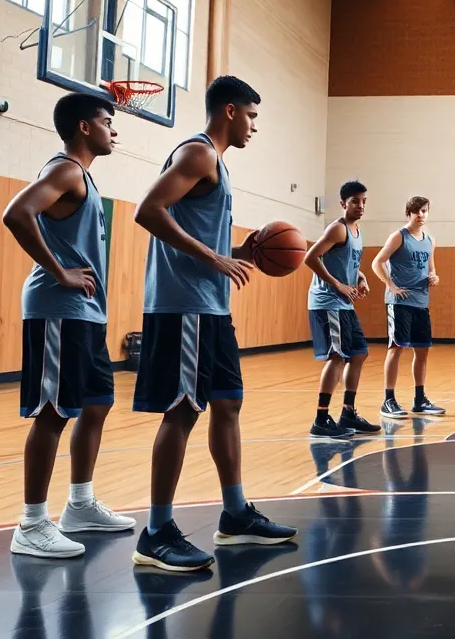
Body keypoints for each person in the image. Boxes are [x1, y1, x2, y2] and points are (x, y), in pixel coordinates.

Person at [132, 75, 297, 572]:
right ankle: (157, 531)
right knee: (182, 411)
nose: (253, 127)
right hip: (186, 307)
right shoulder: (199, 154)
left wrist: (235, 253)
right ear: (228, 110)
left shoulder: (214, 164)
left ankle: (235, 514)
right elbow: (148, 210)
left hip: (211, 308)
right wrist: (212, 257)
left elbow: (190, 226)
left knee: (228, 402)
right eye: (250, 116)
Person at [3, 93, 135, 558]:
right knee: (53, 412)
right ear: (83, 127)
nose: (112, 130)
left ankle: (79, 504)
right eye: (106, 121)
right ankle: (32, 524)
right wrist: (60, 272)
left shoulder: (83, 177)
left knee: (97, 403)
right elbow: (16, 213)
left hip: (84, 313)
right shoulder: (65, 170)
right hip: (57, 308)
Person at [305, 180, 378, 439]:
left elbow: (347, 263)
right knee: (337, 356)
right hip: (327, 301)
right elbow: (310, 257)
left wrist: (361, 278)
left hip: (343, 302)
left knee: (359, 353)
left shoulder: (356, 231)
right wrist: (338, 285)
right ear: (343, 203)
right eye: (355, 201)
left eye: (364, 201)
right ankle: (321, 419)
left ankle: (348, 412)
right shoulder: (337, 230)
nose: (360, 206)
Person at [373, 196, 444, 418]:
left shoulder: (430, 240)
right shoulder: (399, 236)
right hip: (400, 302)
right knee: (396, 348)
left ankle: (419, 399)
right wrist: (391, 285)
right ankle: (388, 400)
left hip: (421, 302)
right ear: (408, 214)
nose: (421, 215)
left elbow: (431, 268)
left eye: (424, 211)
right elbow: (377, 261)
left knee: (422, 351)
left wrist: (434, 277)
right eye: (416, 212)